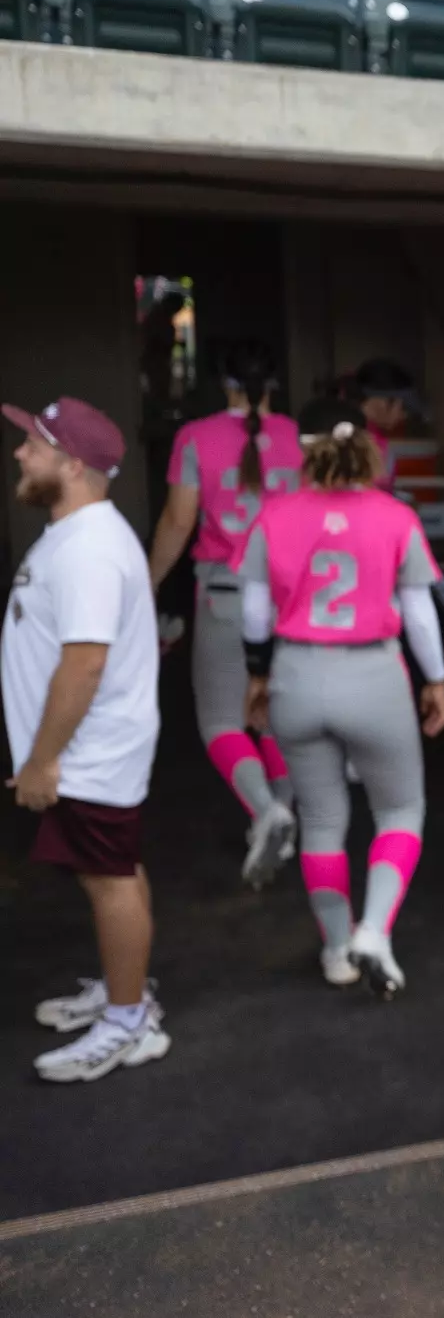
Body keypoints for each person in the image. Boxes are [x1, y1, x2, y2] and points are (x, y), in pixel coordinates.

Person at [238, 400, 444, 997]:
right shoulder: (394, 515)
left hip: (297, 676)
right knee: (401, 811)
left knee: (323, 821)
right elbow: (419, 616)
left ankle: (336, 950)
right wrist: (436, 681)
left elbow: (253, 614)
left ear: (308, 451)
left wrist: (257, 677)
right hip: (374, 676)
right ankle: (374, 932)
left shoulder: (274, 514)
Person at [5, 398, 169, 1082]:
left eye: (34, 445)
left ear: (72, 463)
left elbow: (85, 661)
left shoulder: (92, 547)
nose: (20, 454)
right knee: (113, 871)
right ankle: (125, 987)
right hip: (84, 752)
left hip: (88, 754)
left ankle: (129, 1021)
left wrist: (43, 758)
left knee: (110, 880)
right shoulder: (74, 533)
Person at [148, 342, 303, 886]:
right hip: (289, 596)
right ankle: (282, 816)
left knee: (221, 720)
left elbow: (176, 519)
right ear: (273, 382)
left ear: (223, 382)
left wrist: (146, 583)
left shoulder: (196, 437)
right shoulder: (293, 436)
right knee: (277, 715)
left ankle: (266, 811)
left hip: (225, 593)